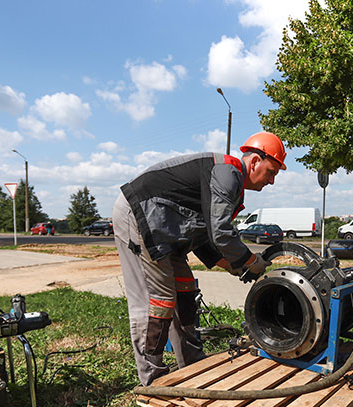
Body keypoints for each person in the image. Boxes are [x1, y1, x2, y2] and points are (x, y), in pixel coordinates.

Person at [113, 131, 287, 386]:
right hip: (140, 215)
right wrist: (250, 261)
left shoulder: (231, 182)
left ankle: (192, 363)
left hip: (164, 228)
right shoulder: (227, 173)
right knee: (159, 299)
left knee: (184, 291)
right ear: (254, 162)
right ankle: (152, 378)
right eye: (271, 172)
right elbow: (221, 233)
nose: (271, 181)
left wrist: (234, 266)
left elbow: (205, 238)